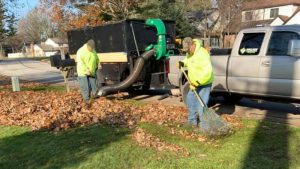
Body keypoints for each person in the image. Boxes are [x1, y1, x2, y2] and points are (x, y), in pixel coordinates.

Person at [177, 37, 214, 128]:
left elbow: (207, 72)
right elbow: (188, 61)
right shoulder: (190, 53)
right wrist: (182, 63)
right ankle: (191, 122)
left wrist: (198, 82)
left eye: (188, 49)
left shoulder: (202, 54)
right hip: (194, 84)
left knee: (201, 104)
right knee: (190, 100)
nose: (187, 51)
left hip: (204, 83)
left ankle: (204, 126)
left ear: (193, 45)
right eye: (186, 50)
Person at [76, 39, 101, 107]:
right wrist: (86, 70)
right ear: (87, 45)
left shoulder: (93, 51)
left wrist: (98, 64)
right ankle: (86, 101)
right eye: (91, 48)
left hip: (91, 72)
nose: (92, 49)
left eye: (93, 48)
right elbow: (80, 63)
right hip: (83, 72)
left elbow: (96, 58)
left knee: (94, 85)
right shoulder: (80, 51)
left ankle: (95, 98)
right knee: (85, 87)